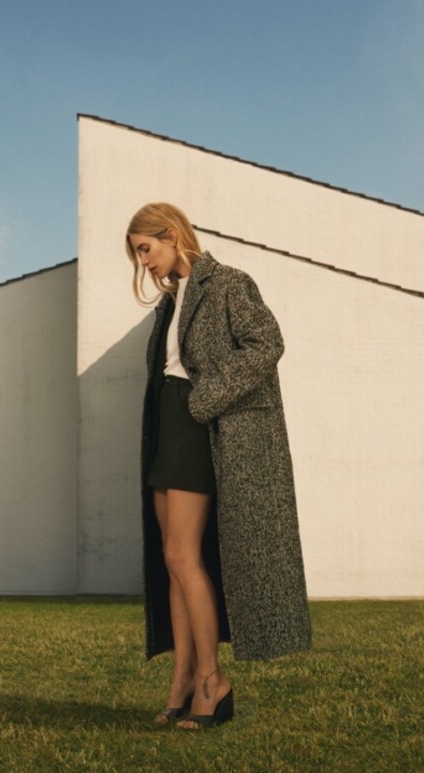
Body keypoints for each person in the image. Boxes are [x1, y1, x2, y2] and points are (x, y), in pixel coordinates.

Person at [125, 202, 312, 731]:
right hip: (167, 425)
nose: (144, 263)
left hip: (199, 422)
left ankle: (213, 680)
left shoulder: (228, 283)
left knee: (184, 555)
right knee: (171, 559)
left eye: (146, 249)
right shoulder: (170, 302)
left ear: (171, 234)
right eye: (138, 255)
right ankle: (183, 678)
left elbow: (266, 344)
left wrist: (204, 399)